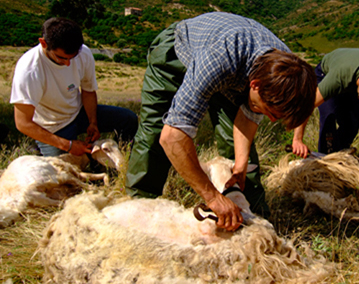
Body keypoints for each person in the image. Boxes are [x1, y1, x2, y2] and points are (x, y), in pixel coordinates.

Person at [126, 12, 317, 231]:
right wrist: (212, 197)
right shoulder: (219, 58)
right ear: (254, 85)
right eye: (269, 112)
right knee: (155, 131)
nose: (270, 120)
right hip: (177, 56)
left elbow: (248, 114)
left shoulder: (285, 72)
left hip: (234, 70)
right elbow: (172, 137)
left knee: (237, 149)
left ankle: (255, 219)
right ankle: (140, 210)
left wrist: (241, 163)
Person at [11, 17, 138, 157]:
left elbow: (88, 91)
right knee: (65, 170)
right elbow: (23, 123)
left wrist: (93, 122)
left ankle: (124, 163)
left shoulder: (83, 53)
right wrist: (68, 145)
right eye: (62, 58)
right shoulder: (29, 69)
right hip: (52, 126)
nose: (68, 64)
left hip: (78, 113)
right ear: (43, 43)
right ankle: (41, 147)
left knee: (128, 119)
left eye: (73, 57)